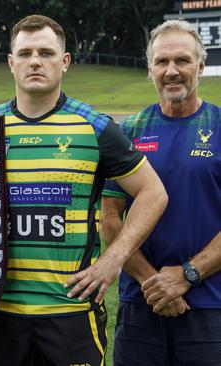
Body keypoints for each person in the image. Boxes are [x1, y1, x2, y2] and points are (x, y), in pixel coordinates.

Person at [0, 15, 168, 365]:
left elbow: (153, 193)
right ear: (11, 63)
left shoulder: (95, 127)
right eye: (25, 53)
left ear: (64, 62)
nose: (35, 61)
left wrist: (114, 259)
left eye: (46, 52)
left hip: (70, 312)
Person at [101, 19, 221, 365]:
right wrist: (153, 282)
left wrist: (188, 274)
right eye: (161, 62)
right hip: (141, 304)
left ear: (200, 66)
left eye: (182, 60)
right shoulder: (129, 131)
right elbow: (110, 218)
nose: (171, 71)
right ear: (149, 68)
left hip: (210, 306)